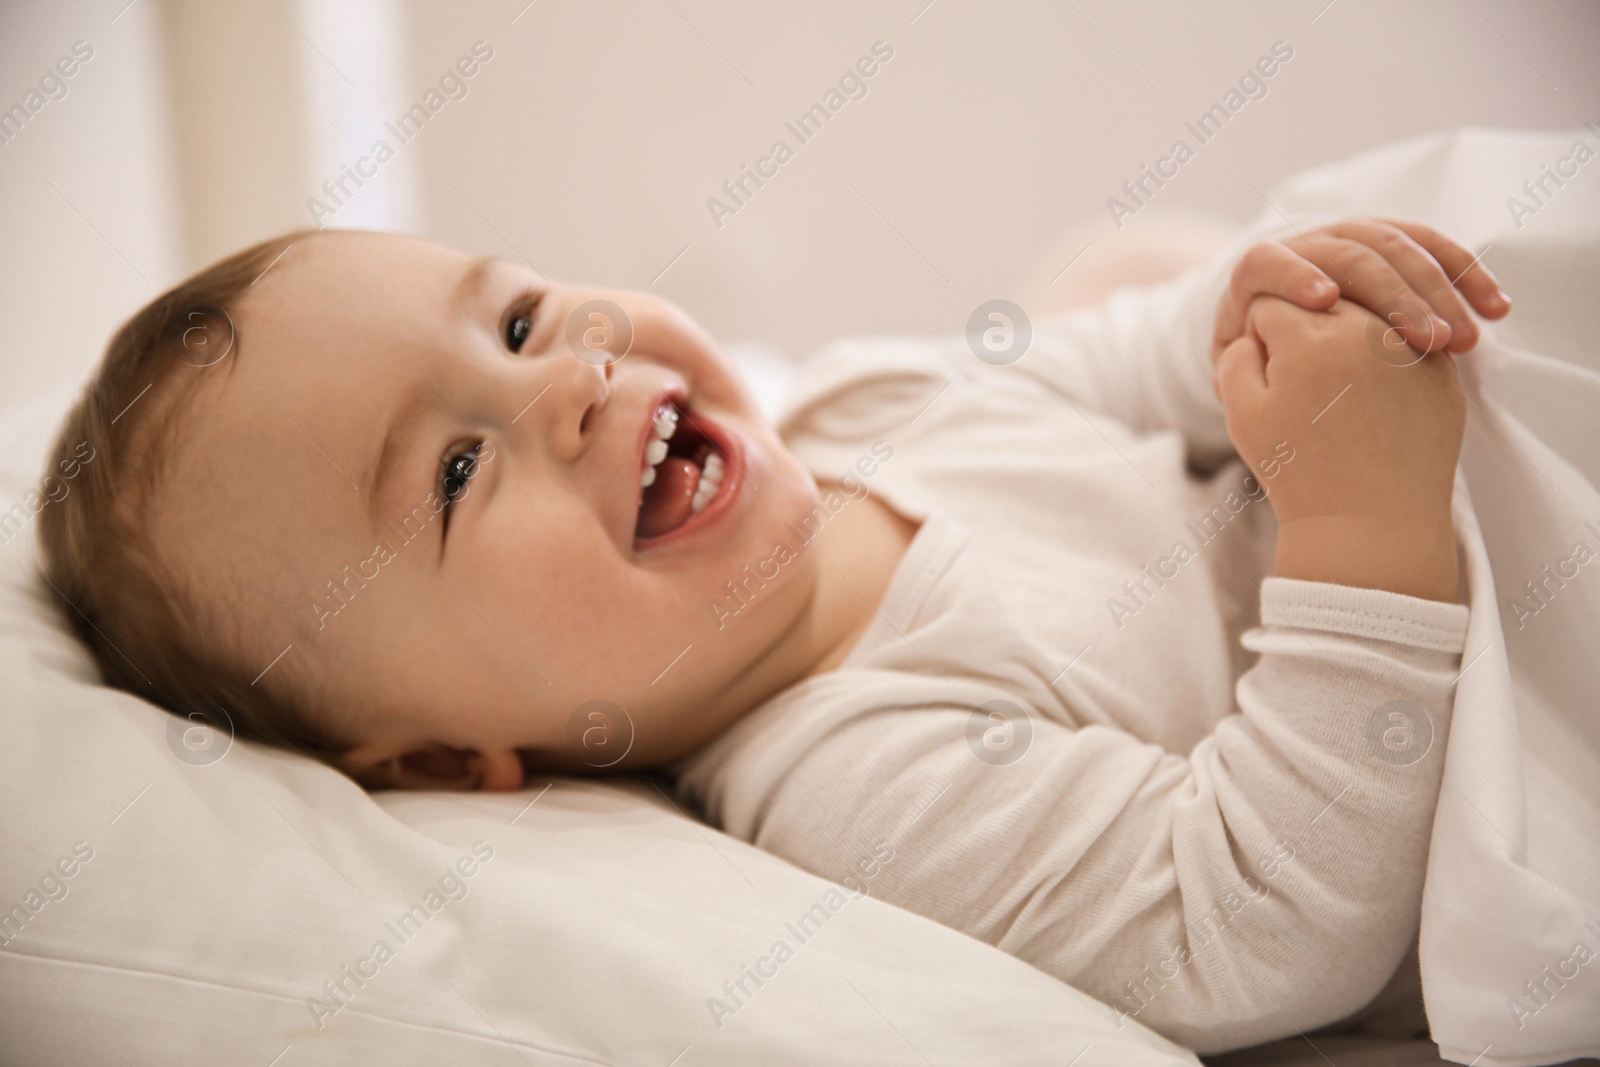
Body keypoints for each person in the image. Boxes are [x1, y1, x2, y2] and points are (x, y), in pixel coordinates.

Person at [37, 218, 1510, 1051]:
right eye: (457, 473)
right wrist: (1359, 529)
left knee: (1143, 267)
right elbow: (1252, 917)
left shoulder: (861, 406)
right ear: (437, 751)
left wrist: (1269, 301)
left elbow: (1128, 363)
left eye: (520, 319)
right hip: (1517, 734)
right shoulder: (855, 775)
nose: (565, 386)